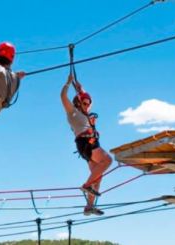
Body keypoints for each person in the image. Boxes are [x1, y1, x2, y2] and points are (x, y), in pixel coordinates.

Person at [60, 74, 112, 216]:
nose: (88, 105)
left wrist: (80, 88)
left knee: (98, 175)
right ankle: (87, 185)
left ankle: (89, 206)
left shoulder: (85, 113)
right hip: (86, 143)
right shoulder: (73, 112)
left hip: (87, 144)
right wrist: (68, 83)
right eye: (85, 103)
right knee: (107, 160)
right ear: (78, 103)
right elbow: (63, 97)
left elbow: (88, 99)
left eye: (88, 104)